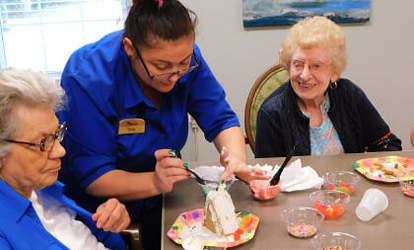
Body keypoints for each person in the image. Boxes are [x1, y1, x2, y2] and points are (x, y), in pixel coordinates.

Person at [57, 0, 268, 249]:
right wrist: (154, 182)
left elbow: (220, 118)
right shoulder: (87, 78)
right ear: (130, 48)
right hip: (103, 211)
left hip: (164, 197)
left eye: (183, 63)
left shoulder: (183, 61)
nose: (175, 76)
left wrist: (235, 159)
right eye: (161, 67)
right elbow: (95, 176)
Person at [0, 68, 130, 250]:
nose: (60, 151)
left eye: (57, 134)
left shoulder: (44, 189)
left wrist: (111, 219)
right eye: (43, 142)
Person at [255, 16, 402, 158]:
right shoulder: (272, 113)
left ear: (334, 72)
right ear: (288, 66)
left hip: (348, 183)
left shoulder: (349, 95)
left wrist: (374, 171)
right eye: (298, 65)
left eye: (316, 66)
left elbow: (387, 143)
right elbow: (267, 177)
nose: (304, 75)